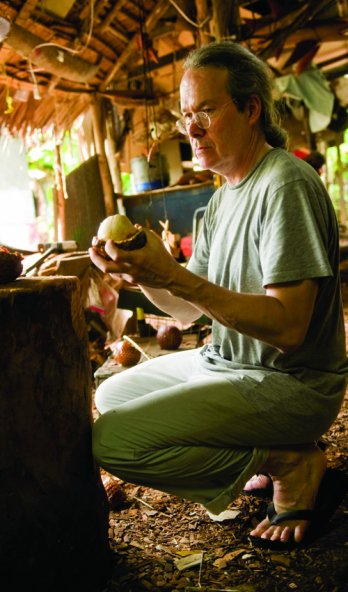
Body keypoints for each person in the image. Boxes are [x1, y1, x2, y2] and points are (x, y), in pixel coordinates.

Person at [89, 41, 348, 550]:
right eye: (186, 115)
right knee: (109, 396)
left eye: (205, 111)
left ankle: (290, 462)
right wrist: (145, 275)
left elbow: (289, 329)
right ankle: (264, 451)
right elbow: (188, 312)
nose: (192, 128)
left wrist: (176, 275)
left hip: (291, 383)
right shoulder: (219, 199)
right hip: (225, 363)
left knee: (113, 441)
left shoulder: (283, 185)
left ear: (251, 109)